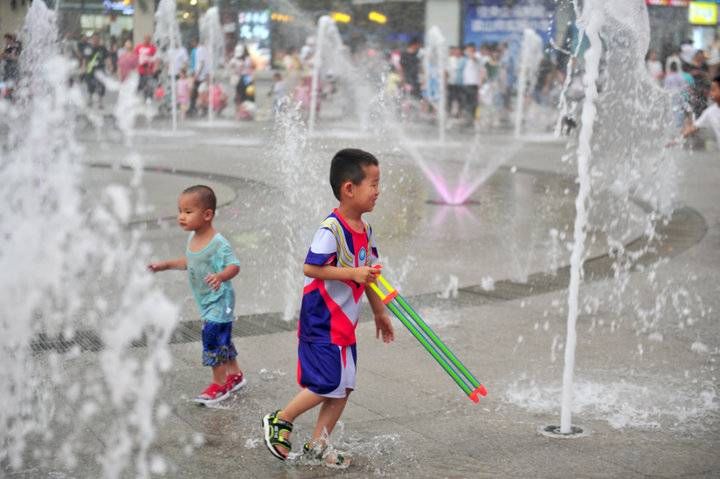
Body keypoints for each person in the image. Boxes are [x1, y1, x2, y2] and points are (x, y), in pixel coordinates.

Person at [262, 149, 394, 467]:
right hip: (322, 322)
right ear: (349, 188)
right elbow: (310, 268)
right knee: (325, 383)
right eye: (373, 184)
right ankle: (280, 419)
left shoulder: (366, 231)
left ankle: (318, 444)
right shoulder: (331, 230)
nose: (378, 191)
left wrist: (378, 311)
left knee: (343, 387)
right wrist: (351, 273)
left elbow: (371, 276)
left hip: (343, 325)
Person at [148, 185, 246, 405]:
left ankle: (220, 385)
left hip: (220, 300)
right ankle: (235, 375)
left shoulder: (218, 243)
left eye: (188, 212)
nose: (181, 217)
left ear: (207, 214)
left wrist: (221, 276)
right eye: (180, 211)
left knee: (212, 337)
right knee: (223, 338)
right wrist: (164, 265)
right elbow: (190, 261)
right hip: (208, 300)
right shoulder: (193, 238)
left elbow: (234, 265)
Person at [682, 75, 720, 147]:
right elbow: (694, 127)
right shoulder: (710, 112)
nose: (710, 93)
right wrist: (676, 140)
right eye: (710, 90)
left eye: (713, 90)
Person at [80, 33, 109, 108]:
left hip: (100, 69)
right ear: (92, 39)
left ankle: (100, 102)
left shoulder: (103, 48)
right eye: (94, 39)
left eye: (97, 39)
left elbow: (107, 58)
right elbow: (84, 59)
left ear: (99, 40)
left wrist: (110, 66)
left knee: (101, 85)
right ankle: (90, 99)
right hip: (90, 69)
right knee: (90, 84)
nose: (96, 40)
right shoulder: (88, 48)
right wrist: (83, 68)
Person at [134, 34, 157, 100]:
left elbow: (155, 58)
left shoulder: (152, 48)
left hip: (149, 70)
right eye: (145, 39)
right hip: (141, 70)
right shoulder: (139, 47)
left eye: (148, 39)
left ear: (150, 40)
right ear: (143, 39)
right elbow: (135, 56)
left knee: (149, 84)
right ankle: (139, 97)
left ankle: (148, 97)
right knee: (141, 84)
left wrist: (155, 67)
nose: (147, 40)